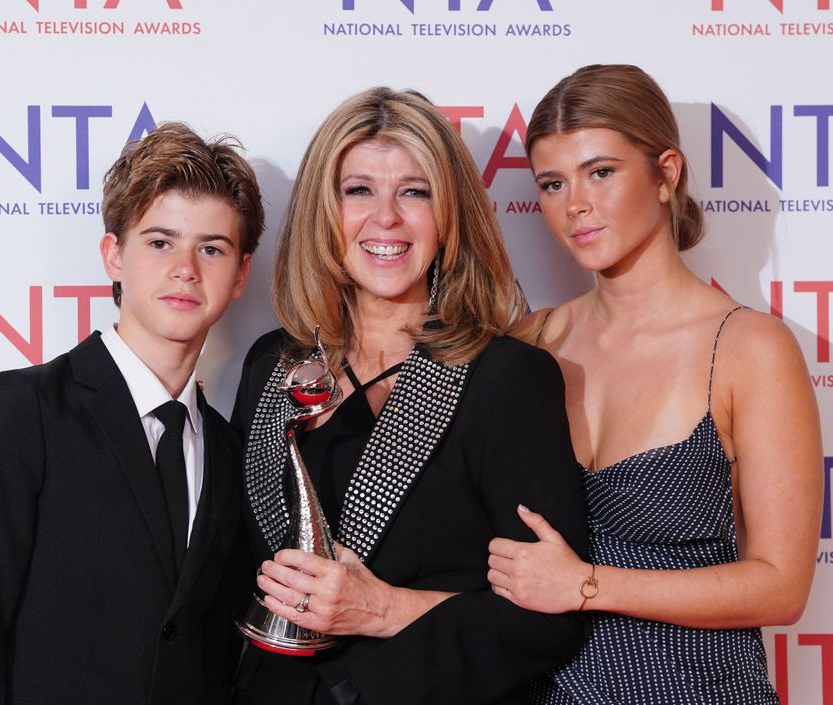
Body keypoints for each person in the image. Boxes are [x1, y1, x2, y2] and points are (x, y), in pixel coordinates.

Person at [230, 87, 589, 705]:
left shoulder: (507, 377)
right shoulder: (273, 364)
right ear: (325, 208)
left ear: (448, 214)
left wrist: (380, 609)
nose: (386, 217)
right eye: (359, 190)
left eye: (415, 191)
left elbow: (546, 618)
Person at [485, 64, 823, 704]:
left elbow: (781, 587)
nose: (575, 204)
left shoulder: (749, 349)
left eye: (601, 172)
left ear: (667, 173)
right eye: (552, 183)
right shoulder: (525, 345)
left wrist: (586, 584)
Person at [0, 122, 263, 705]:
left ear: (240, 275)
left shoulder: (228, 452)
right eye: (160, 242)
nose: (186, 268)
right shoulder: (24, 412)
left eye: (212, 247)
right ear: (113, 255)